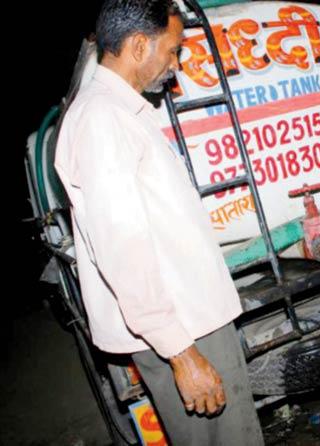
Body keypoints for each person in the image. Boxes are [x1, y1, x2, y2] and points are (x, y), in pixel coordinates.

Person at [54, 1, 264, 444]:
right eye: (171, 51)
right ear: (136, 46)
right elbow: (122, 249)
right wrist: (181, 353)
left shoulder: (121, 113)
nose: (175, 65)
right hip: (183, 331)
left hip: (190, 322)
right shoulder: (102, 121)